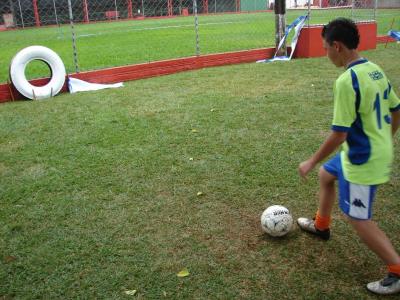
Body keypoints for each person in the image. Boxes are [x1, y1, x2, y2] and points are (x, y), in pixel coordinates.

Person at [297, 18, 400, 295]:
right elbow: (397, 109)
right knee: (326, 175)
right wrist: (385, 139)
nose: (326, 53)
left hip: (362, 159)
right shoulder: (375, 70)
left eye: (325, 48)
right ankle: (321, 226)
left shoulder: (346, 81)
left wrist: (310, 160)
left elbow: (339, 134)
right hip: (371, 150)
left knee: (358, 218)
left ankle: (397, 269)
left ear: (337, 46)